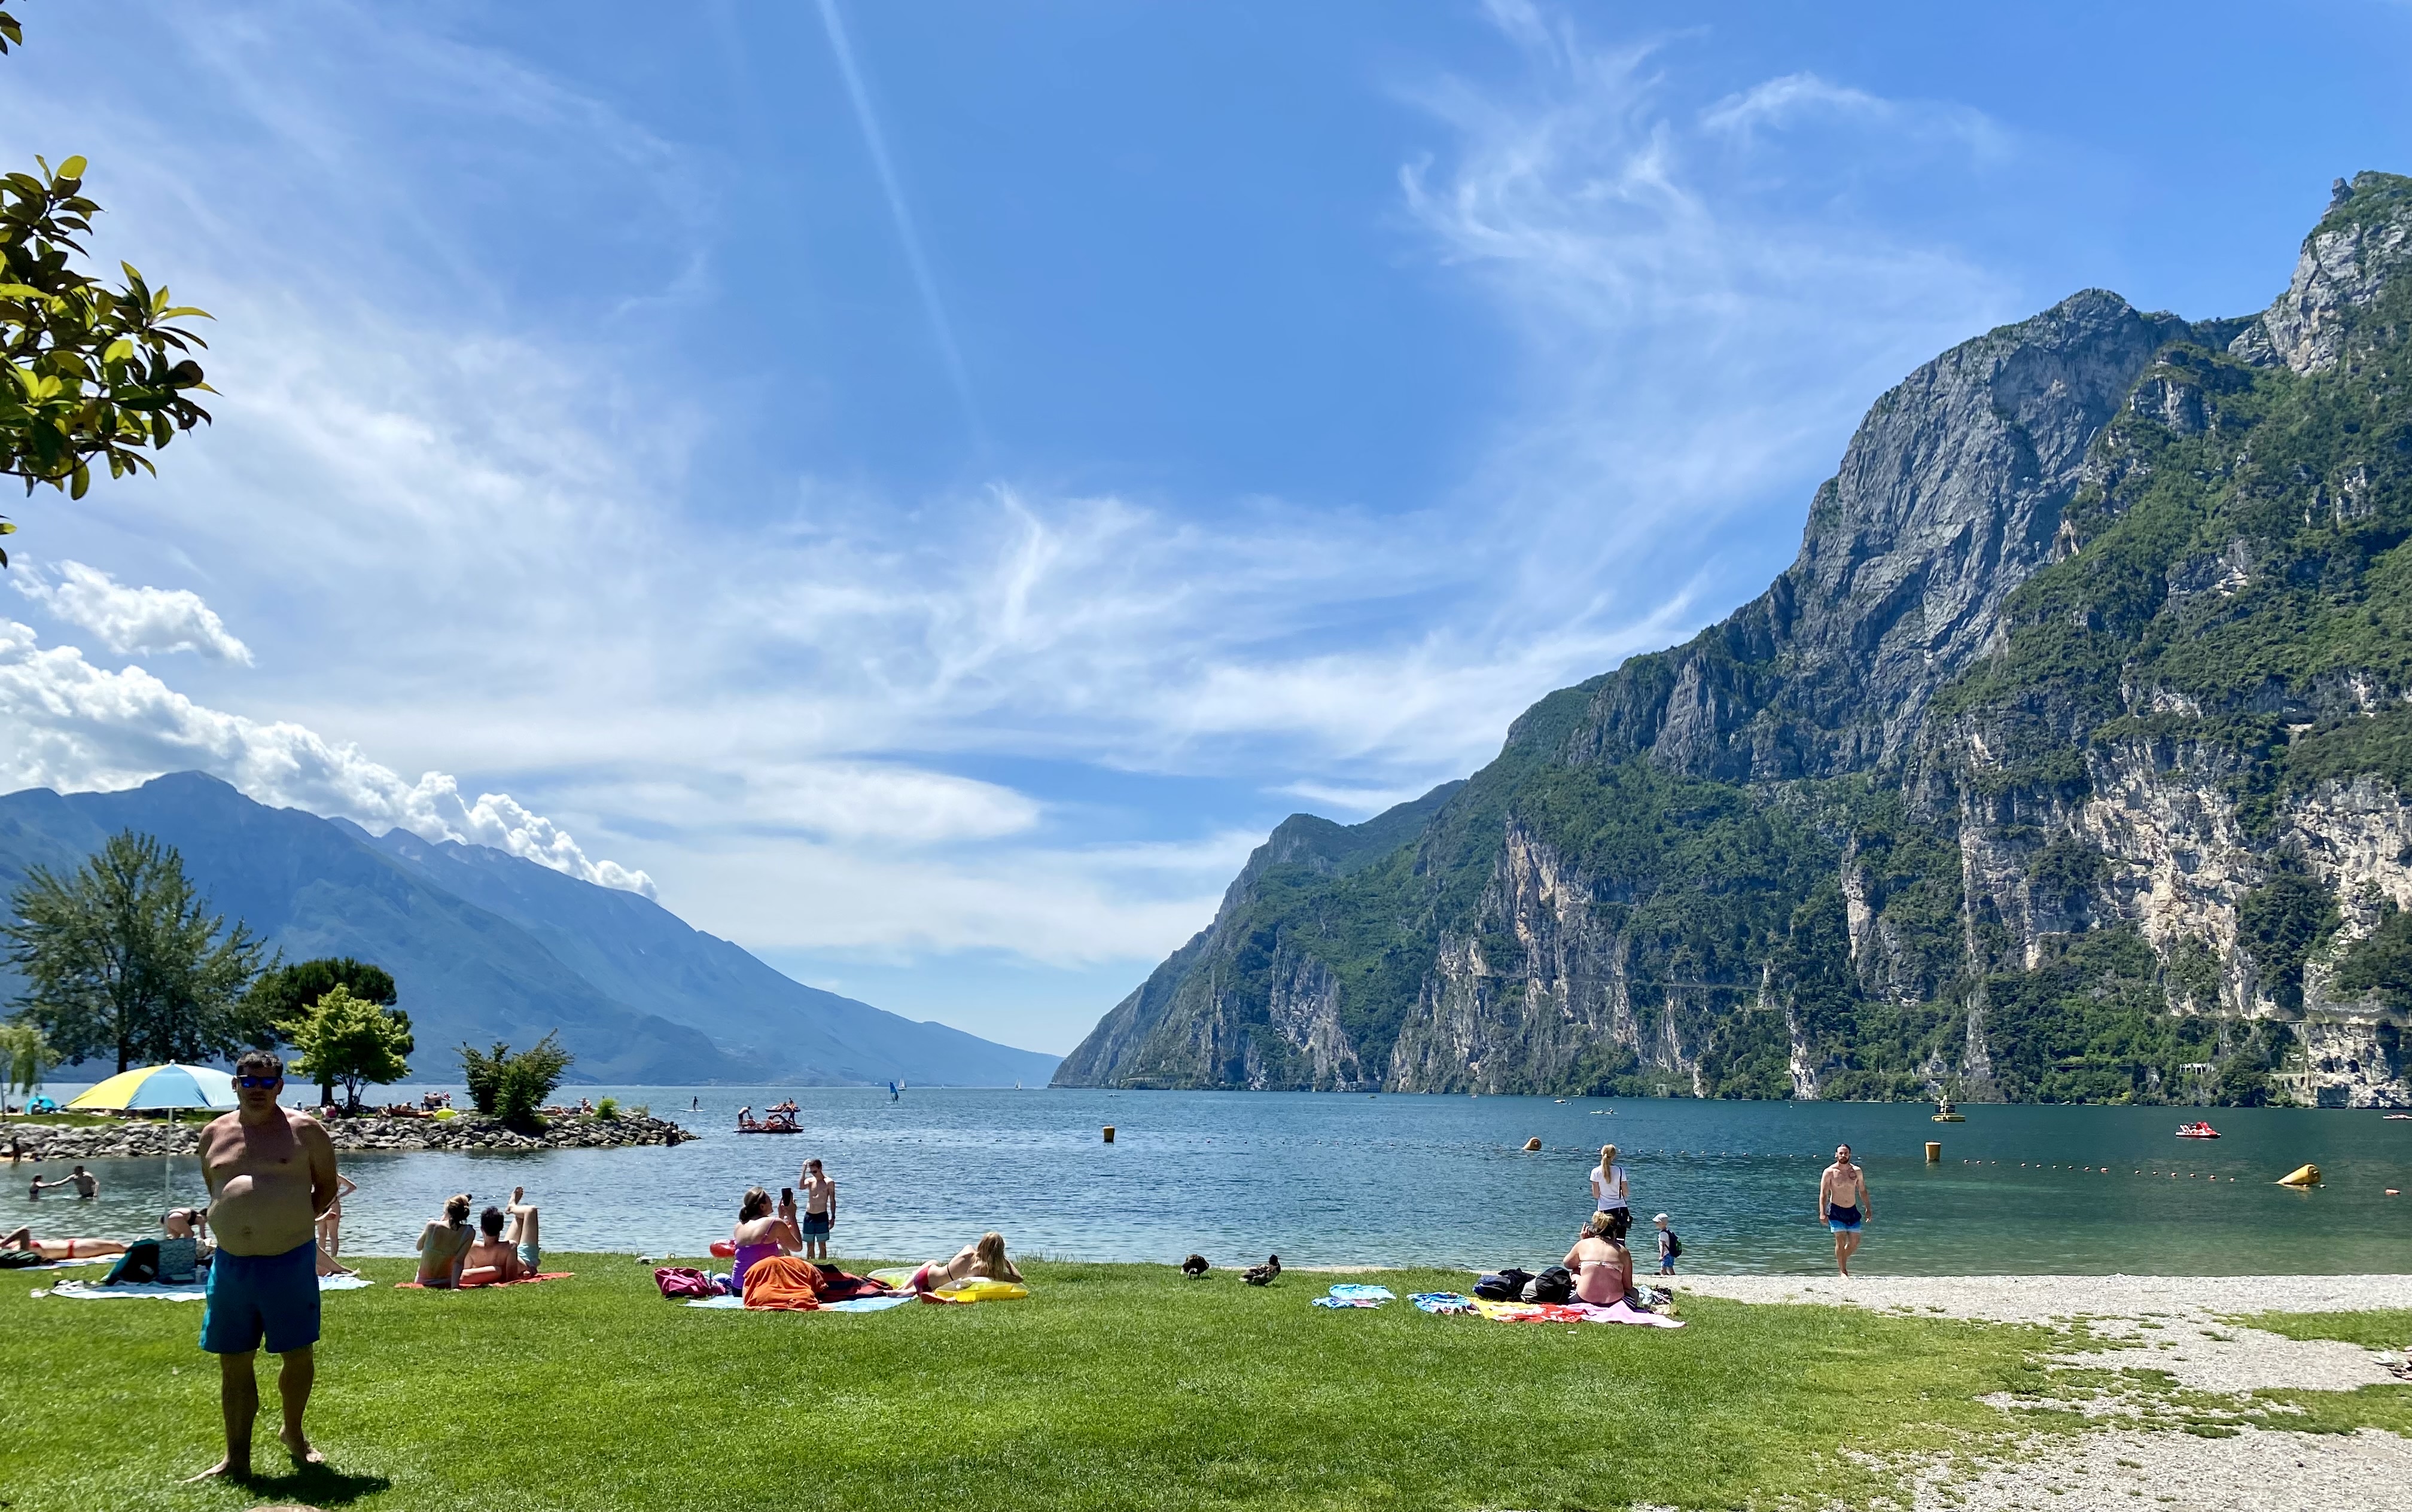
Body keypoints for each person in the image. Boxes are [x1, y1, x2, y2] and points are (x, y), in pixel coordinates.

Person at [188, 1049, 341, 1481]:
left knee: (296, 1353)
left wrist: (288, 1221)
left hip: (288, 1259)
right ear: (235, 1084)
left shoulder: (305, 1130)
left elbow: (326, 1186)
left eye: (267, 1081)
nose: (258, 1089)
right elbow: (215, 1187)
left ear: (280, 1086)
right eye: (249, 1081)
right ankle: (236, 1460)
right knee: (233, 1360)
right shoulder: (214, 1133)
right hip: (232, 1265)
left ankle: (293, 1432)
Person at [724, 1185, 800, 1295]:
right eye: (770, 1200)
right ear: (762, 1206)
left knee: (779, 1249)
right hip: (759, 1289)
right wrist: (792, 1215)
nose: (772, 1201)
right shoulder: (775, 1223)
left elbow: (758, 1248)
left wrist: (781, 1216)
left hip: (738, 1288)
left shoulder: (739, 1225)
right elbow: (798, 1247)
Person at [907, 1231, 1021, 1292]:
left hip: (922, 1277)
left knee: (933, 1262)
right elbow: (1018, 1279)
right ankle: (909, 1291)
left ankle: (904, 1288)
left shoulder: (968, 1249)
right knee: (935, 1271)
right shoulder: (985, 1270)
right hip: (929, 1288)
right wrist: (1005, 1260)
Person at [1820, 1143, 1872, 1276]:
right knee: (1841, 1240)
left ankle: (1841, 1259)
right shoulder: (1829, 1172)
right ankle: (1843, 1271)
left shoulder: (1857, 1171)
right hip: (1836, 1210)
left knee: (1855, 1242)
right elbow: (1824, 1194)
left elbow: (1863, 1191)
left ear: (1850, 1155)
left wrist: (1868, 1208)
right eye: (1841, 1153)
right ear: (1836, 1155)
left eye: (1846, 1153)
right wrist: (1822, 1213)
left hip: (1852, 1210)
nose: (1843, 1156)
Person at [1562, 1211, 1631, 1306]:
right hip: (1614, 1301)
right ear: (1615, 1232)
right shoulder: (1623, 1251)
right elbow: (1628, 1286)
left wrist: (1583, 1243)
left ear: (1594, 1229)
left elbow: (1567, 1263)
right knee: (1634, 1292)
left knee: (1576, 1270)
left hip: (1584, 1298)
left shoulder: (1584, 1244)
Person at [415, 1193, 476, 1288]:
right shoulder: (469, 1232)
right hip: (447, 1281)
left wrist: (442, 1221)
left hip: (423, 1281)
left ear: (448, 1211)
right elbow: (459, 1262)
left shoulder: (432, 1226)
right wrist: (454, 1287)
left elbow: (419, 1247)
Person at [1, 1226, 130, 1260]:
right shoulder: (20, 1253)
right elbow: (24, 1231)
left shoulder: (11, 1247)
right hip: (76, 1250)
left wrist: (4, 1242)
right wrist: (4, 1243)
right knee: (120, 1247)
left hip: (72, 1244)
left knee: (119, 1246)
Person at [315, 1172, 359, 1269]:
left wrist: (340, 1196)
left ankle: (334, 1257)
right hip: (320, 1205)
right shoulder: (318, 1174)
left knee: (333, 1234)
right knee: (322, 1234)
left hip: (333, 1205)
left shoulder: (337, 1176)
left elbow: (352, 1187)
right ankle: (322, 1260)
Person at [159, 1207, 214, 1284]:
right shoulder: (201, 1218)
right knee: (190, 1234)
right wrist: (208, 1243)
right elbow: (203, 1236)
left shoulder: (193, 1215)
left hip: (165, 1218)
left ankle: (171, 1255)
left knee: (176, 1237)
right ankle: (185, 1256)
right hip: (175, 1217)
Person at [1588, 1144, 1630, 1239]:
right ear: (1614, 1156)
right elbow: (1626, 1193)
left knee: (1604, 1241)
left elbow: (1596, 1195)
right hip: (1620, 1210)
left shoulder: (1595, 1172)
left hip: (1604, 1211)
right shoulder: (1620, 1171)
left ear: (1602, 1154)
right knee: (1620, 1241)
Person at [799, 1159, 836, 1261]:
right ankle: (811, 1265)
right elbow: (801, 1187)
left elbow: (832, 1200)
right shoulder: (810, 1181)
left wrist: (833, 1217)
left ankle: (822, 1266)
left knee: (822, 1244)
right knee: (810, 1244)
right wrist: (804, 1170)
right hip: (809, 1216)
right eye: (811, 1172)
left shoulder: (829, 1182)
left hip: (822, 1215)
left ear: (820, 1168)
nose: (813, 1174)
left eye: (815, 1171)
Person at [1652, 1212, 1677, 1276]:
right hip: (1671, 1253)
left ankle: (1667, 1277)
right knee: (1670, 1268)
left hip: (1666, 1254)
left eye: (1657, 1222)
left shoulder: (1662, 1234)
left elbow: (1663, 1245)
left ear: (1661, 1223)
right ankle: (1674, 1277)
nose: (1656, 1224)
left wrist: (1662, 1256)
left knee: (1663, 1270)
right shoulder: (1668, 1231)